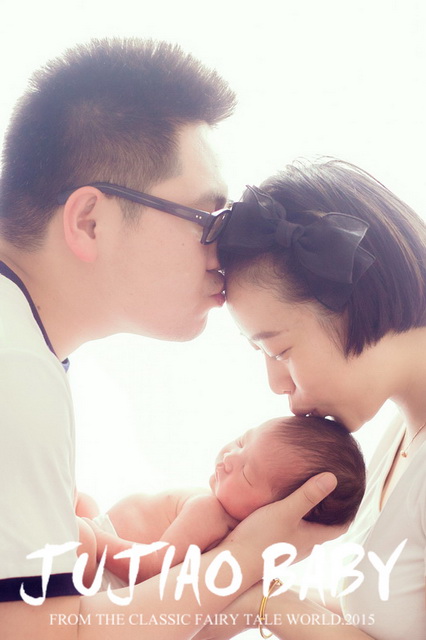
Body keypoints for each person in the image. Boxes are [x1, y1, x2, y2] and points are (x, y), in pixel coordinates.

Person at [0, 40, 340, 639]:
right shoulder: (17, 371)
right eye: (207, 220)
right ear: (90, 221)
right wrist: (244, 559)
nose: (224, 251)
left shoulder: (25, 347)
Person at [198, 159, 426, 640]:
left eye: (279, 350)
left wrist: (264, 602)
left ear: (351, 304)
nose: (276, 384)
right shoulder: (401, 437)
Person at [77, 415, 365, 587]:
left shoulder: (209, 511)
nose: (229, 457)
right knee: (83, 503)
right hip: (107, 543)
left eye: (247, 473)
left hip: (108, 568)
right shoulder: (234, 542)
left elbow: (153, 568)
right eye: (242, 441)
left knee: (76, 524)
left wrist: (94, 536)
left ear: (275, 511)